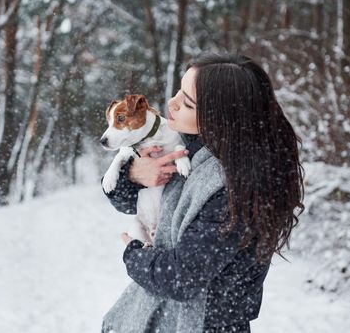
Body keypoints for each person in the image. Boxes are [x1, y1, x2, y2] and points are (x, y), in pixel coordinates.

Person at [100, 53, 304, 333]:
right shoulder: (190, 145)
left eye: (186, 102)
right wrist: (135, 175)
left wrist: (132, 253)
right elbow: (125, 202)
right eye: (178, 91)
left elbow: (181, 278)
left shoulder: (235, 186)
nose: (171, 103)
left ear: (219, 116)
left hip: (206, 324)